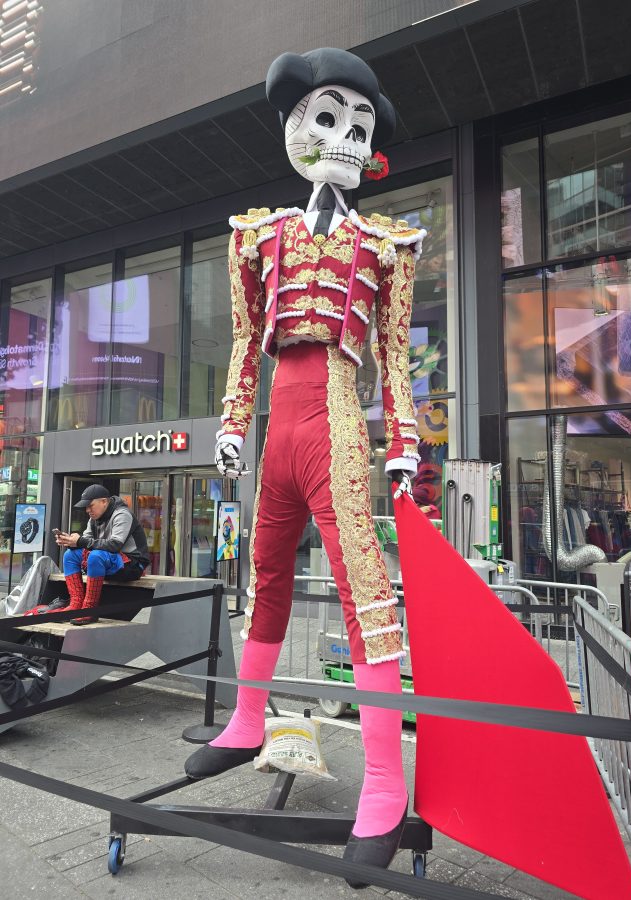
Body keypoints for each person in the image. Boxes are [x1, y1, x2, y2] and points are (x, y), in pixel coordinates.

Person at [184, 47, 425, 886]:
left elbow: (394, 356)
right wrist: (230, 427)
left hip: (336, 414)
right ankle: (247, 717)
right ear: (293, 126)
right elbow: (247, 340)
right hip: (277, 419)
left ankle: (386, 782)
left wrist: (405, 442)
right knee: (264, 569)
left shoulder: (390, 244)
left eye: (360, 126)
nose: (346, 140)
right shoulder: (257, 235)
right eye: (329, 120)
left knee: (365, 584)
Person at [55, 485, 150, 624]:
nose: (88, 510)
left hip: (133, 564)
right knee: (70, 555)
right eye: (86, 507)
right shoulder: (94, 518)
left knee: (96, 556)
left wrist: (81, 541)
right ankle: (76, 604)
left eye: (90, 506)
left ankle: (90, 610)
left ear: (104, 501)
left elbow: (114, 545)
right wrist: (71, 542)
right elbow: (87, 543)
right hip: (109, 560)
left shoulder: (122, 514)